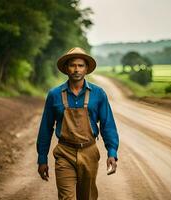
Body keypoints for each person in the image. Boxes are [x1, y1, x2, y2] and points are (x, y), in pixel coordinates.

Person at [36, 47, 119, 200]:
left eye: (80, 65)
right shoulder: (54, 95)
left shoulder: (98, 94)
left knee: (87, 197)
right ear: (66, 68)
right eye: (72, 65)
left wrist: (112, 152)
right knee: (66, 197)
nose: (76, 69)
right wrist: (42, 158)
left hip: (89, 152)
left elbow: (107, 125)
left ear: (86, 69)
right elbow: (46, 129)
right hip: (64, 153)